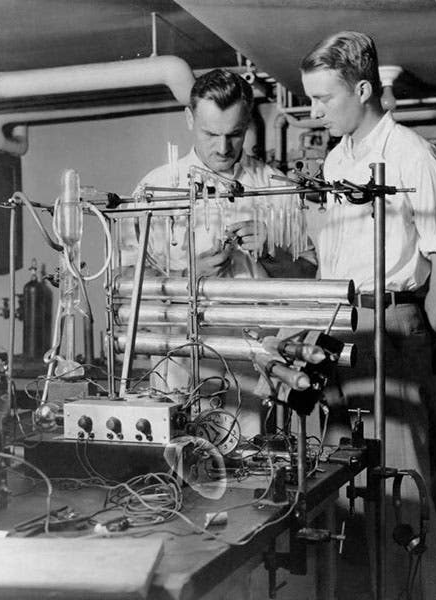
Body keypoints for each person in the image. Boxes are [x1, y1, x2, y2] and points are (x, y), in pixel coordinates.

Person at [300, 31, 436, 599]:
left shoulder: (413, 155)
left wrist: (417, 352)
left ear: (364, 88)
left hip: (391, 326)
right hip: (339, 325)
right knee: (346, 486)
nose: (314, 111)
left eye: (324, 98)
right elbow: (332, 258)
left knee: (403, 494)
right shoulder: (336, 157)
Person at [120, 68, 316, 438]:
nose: (223, 148)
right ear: (190, 118)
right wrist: (185, 276)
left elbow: (311, 281)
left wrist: (275, 254)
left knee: (254, 470)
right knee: (179, 468)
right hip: (179, 363)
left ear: (247, 125)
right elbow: (126, 285)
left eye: (235, 134)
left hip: (255, 365)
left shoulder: (277, 189)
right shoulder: (155, 190)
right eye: (211, 134)